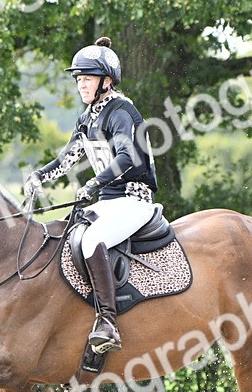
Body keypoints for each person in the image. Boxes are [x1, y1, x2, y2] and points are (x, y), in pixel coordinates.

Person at [24, 37, 158, 352]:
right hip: (109, 203)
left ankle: (108, 322)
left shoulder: (120, 110)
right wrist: (39, 176)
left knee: (91, 240)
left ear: (106, 82)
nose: (81, 84)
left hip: (133, 198)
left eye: (87, 78)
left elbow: (127, 158)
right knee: (62, 235)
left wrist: (94, 183)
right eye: (79, 79)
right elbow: (65, 160)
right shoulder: (87, 118)